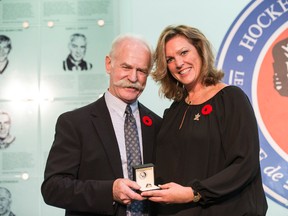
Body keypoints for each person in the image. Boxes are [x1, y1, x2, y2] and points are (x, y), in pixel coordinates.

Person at [141, 25, 268, 215]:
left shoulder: (231, 99)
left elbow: (245, 164)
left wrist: (194, 193)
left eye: (184, 52)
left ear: (200, 50)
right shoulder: (174, 111)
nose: (179, 63)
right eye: (170, 59)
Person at [42, 34, 162, 216]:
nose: (133, 77)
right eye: (126, 67)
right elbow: (53, 188)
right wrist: (109, 192)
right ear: (108, 64)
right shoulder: (75, 123)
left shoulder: (157, 124)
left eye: (142, 71)